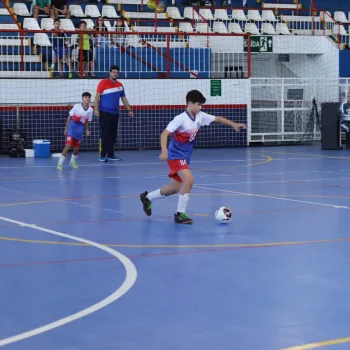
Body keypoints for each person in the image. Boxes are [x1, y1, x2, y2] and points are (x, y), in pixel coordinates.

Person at [140, 90, 246, 224]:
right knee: (189, 180)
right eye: (199, 104)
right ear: (190, 104)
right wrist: (164, 151)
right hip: (175, 156)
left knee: (174, 188)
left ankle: (147, 197)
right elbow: (164, 134)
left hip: (185, 157)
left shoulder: (200, 116)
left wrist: (233, 124)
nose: (201, 107)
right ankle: (180, 214)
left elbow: (217, 119)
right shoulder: (180, 119)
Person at [94, 65, 134, 162]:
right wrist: (96, 109)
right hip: (104, 113)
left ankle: (111, 154)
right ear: (110, 73)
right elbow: (97, 97)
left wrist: (129, 110)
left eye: (116, 72)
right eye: (113, 72)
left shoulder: (120, 85)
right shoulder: (103, 83)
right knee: (105, 134)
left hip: (115, 113)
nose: (115, 74)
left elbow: (124, 98)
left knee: (112, 135)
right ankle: (102, 155)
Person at [57, 92, 93, 170]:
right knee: (68, 145)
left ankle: (72, 161)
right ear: (82, 99)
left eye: (89, 97)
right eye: (86, 97)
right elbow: (69, 117)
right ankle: (59, 164)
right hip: (72, 128)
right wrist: (66, 128)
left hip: (79, 131)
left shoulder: (90, 110)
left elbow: (87, 121)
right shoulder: (77, 106)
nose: (88, 99)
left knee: (76, 148)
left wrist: (87, 130)